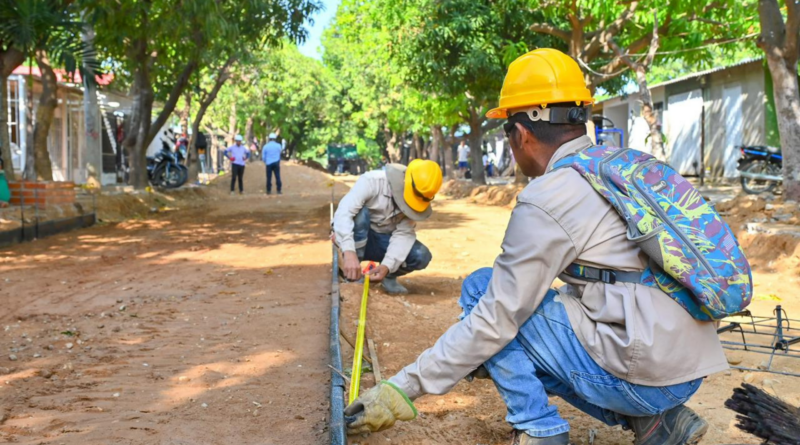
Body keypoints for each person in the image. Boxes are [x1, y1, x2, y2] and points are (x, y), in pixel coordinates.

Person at [344, 48, 734, 445]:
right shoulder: (619, 166)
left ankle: (539, 429)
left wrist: (400, 390)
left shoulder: (549, 196)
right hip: (688, 365)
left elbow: (494, 320)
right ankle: (659, 423)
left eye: (506, 132)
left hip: (649, 376)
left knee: (483, 294)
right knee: (516, 324)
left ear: (522, 133)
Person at [332, 159, 442, 294]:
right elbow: (344, 212)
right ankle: (352, 273)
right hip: (357, 239)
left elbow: (403, 234)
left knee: (421, 255)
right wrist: (348, 250)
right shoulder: (372, 181)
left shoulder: (418, 200)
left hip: (383, 241)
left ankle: (388, 277)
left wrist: (387, 267)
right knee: (360, 214)